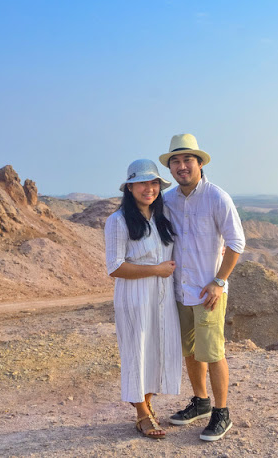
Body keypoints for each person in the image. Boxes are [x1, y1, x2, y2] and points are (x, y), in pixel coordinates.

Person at [159, 133, 245, 442]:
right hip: (180, 291)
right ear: (170, 168)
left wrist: (220, 281)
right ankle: (201, 401)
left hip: (208, 292)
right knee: (191, 351)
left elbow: (237, 242)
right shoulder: (167, 201)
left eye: (187, 160)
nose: (181, 166)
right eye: (175, 162)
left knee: (213, 351)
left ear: (199, 163)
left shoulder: (217, 198)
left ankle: (222, 412)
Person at [104, 159, 182, 440]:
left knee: (155, 352)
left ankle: (147, 406)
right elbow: (114, 267)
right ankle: (142, 414)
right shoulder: (118, 221)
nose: (149, 189)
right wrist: (156, 270)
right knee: (137, 352)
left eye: (154, 183)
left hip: (162, 299)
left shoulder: (162, 218)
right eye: (142, 183)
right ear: (130, 187)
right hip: (135, 298)